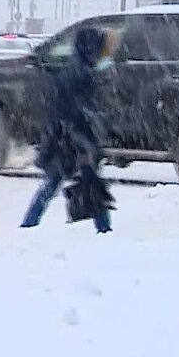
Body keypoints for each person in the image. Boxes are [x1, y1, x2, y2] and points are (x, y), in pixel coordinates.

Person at [19, 26, 118, 233]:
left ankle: (29, 223)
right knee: (88, 182)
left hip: (67, 137)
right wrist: (84, 135)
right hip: (72, 138)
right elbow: (77, 108)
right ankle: (103, 228)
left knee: (61, 182)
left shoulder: (77, 68)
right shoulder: (81, 73)